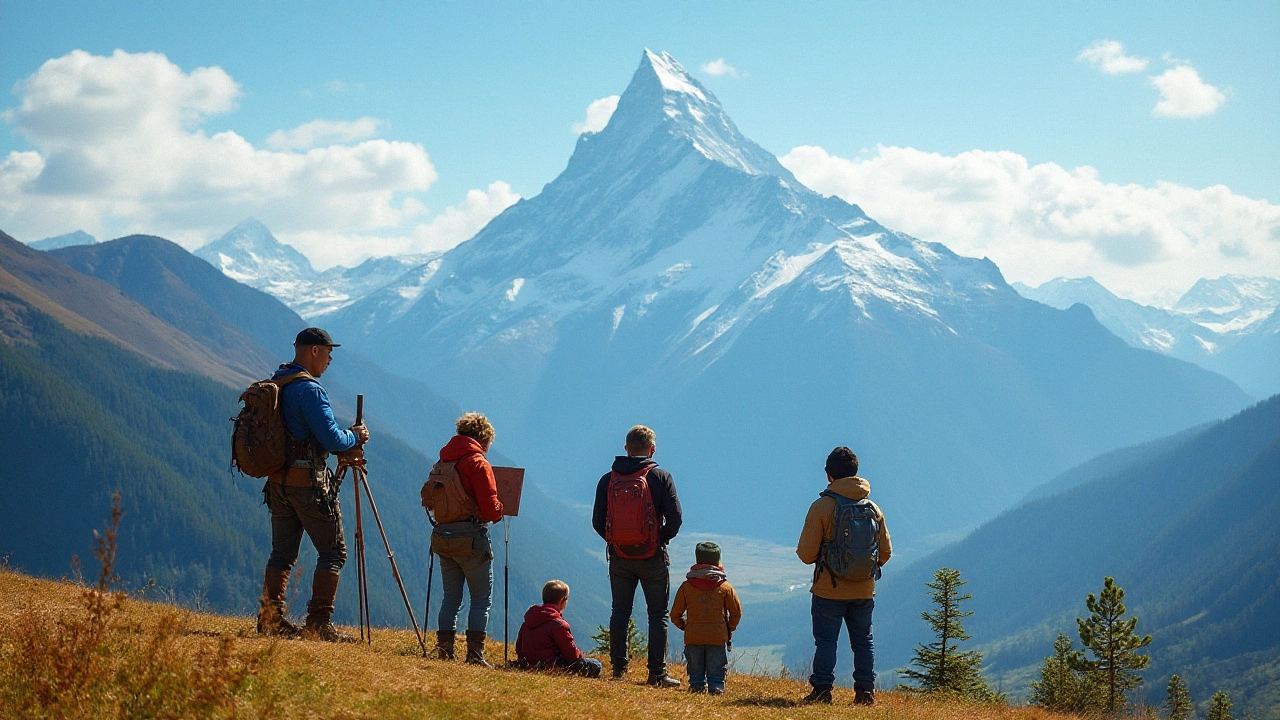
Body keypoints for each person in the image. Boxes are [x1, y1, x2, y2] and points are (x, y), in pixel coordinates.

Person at [259, 327, 369, 642]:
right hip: (307, 483)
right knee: (334, 551)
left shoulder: (277, 381)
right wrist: (357, 436)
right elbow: (333, 439)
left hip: (277, 482)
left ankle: (270, 619)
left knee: (281, 553)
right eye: (328, 352)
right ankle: (318, 623)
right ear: (314, 351)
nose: (331, 359)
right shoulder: (310, 390)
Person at [796, 447, 892, 706]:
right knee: (863, 642)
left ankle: (822, 691)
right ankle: (865, 692)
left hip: (829, 588)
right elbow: (885, 552)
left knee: (826, 641)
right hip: (864, 590)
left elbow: (806, 554)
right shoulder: (873, 507)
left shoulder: (822, 507)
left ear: (829, 475)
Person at [591, 424, 683, 687]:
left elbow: (598, 522)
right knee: (657, 614)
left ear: (626, 449)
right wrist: (657, 540)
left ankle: (619, 669)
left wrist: (617, 541)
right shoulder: (660, 477)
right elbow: (675, 520)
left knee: (620, 611)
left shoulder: (608, 480)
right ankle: (657, 673)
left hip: (620, 558)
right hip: (653, 557)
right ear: (652, 449)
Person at [432, 412, 504, 667]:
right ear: (483, 438)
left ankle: (444, 650)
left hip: (443, 535)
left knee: (450, 598)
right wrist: (499, 508)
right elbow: (491, 508)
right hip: (471, 539)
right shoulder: (477, 462)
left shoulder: (444, 459)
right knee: (480, 599)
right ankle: (474, 655)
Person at [670, 541, 743, 695]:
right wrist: (729, 628)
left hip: (693, 635)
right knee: (717, 667)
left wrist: (685, 626)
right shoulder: (725, 587)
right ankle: (716, 687)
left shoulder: (686, 587)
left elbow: (675, 614)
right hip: (717, 635)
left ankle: (696, 686)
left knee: (695, 667)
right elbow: (736, 612)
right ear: (717, 561)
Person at [514, 580, 603, 678]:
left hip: (530, 664)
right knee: (596, 664)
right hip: (554, 666)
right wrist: (579, 655)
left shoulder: (528, 620)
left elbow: (519, 649)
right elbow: (571, 655)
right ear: (562, 601)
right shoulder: (559, 625)